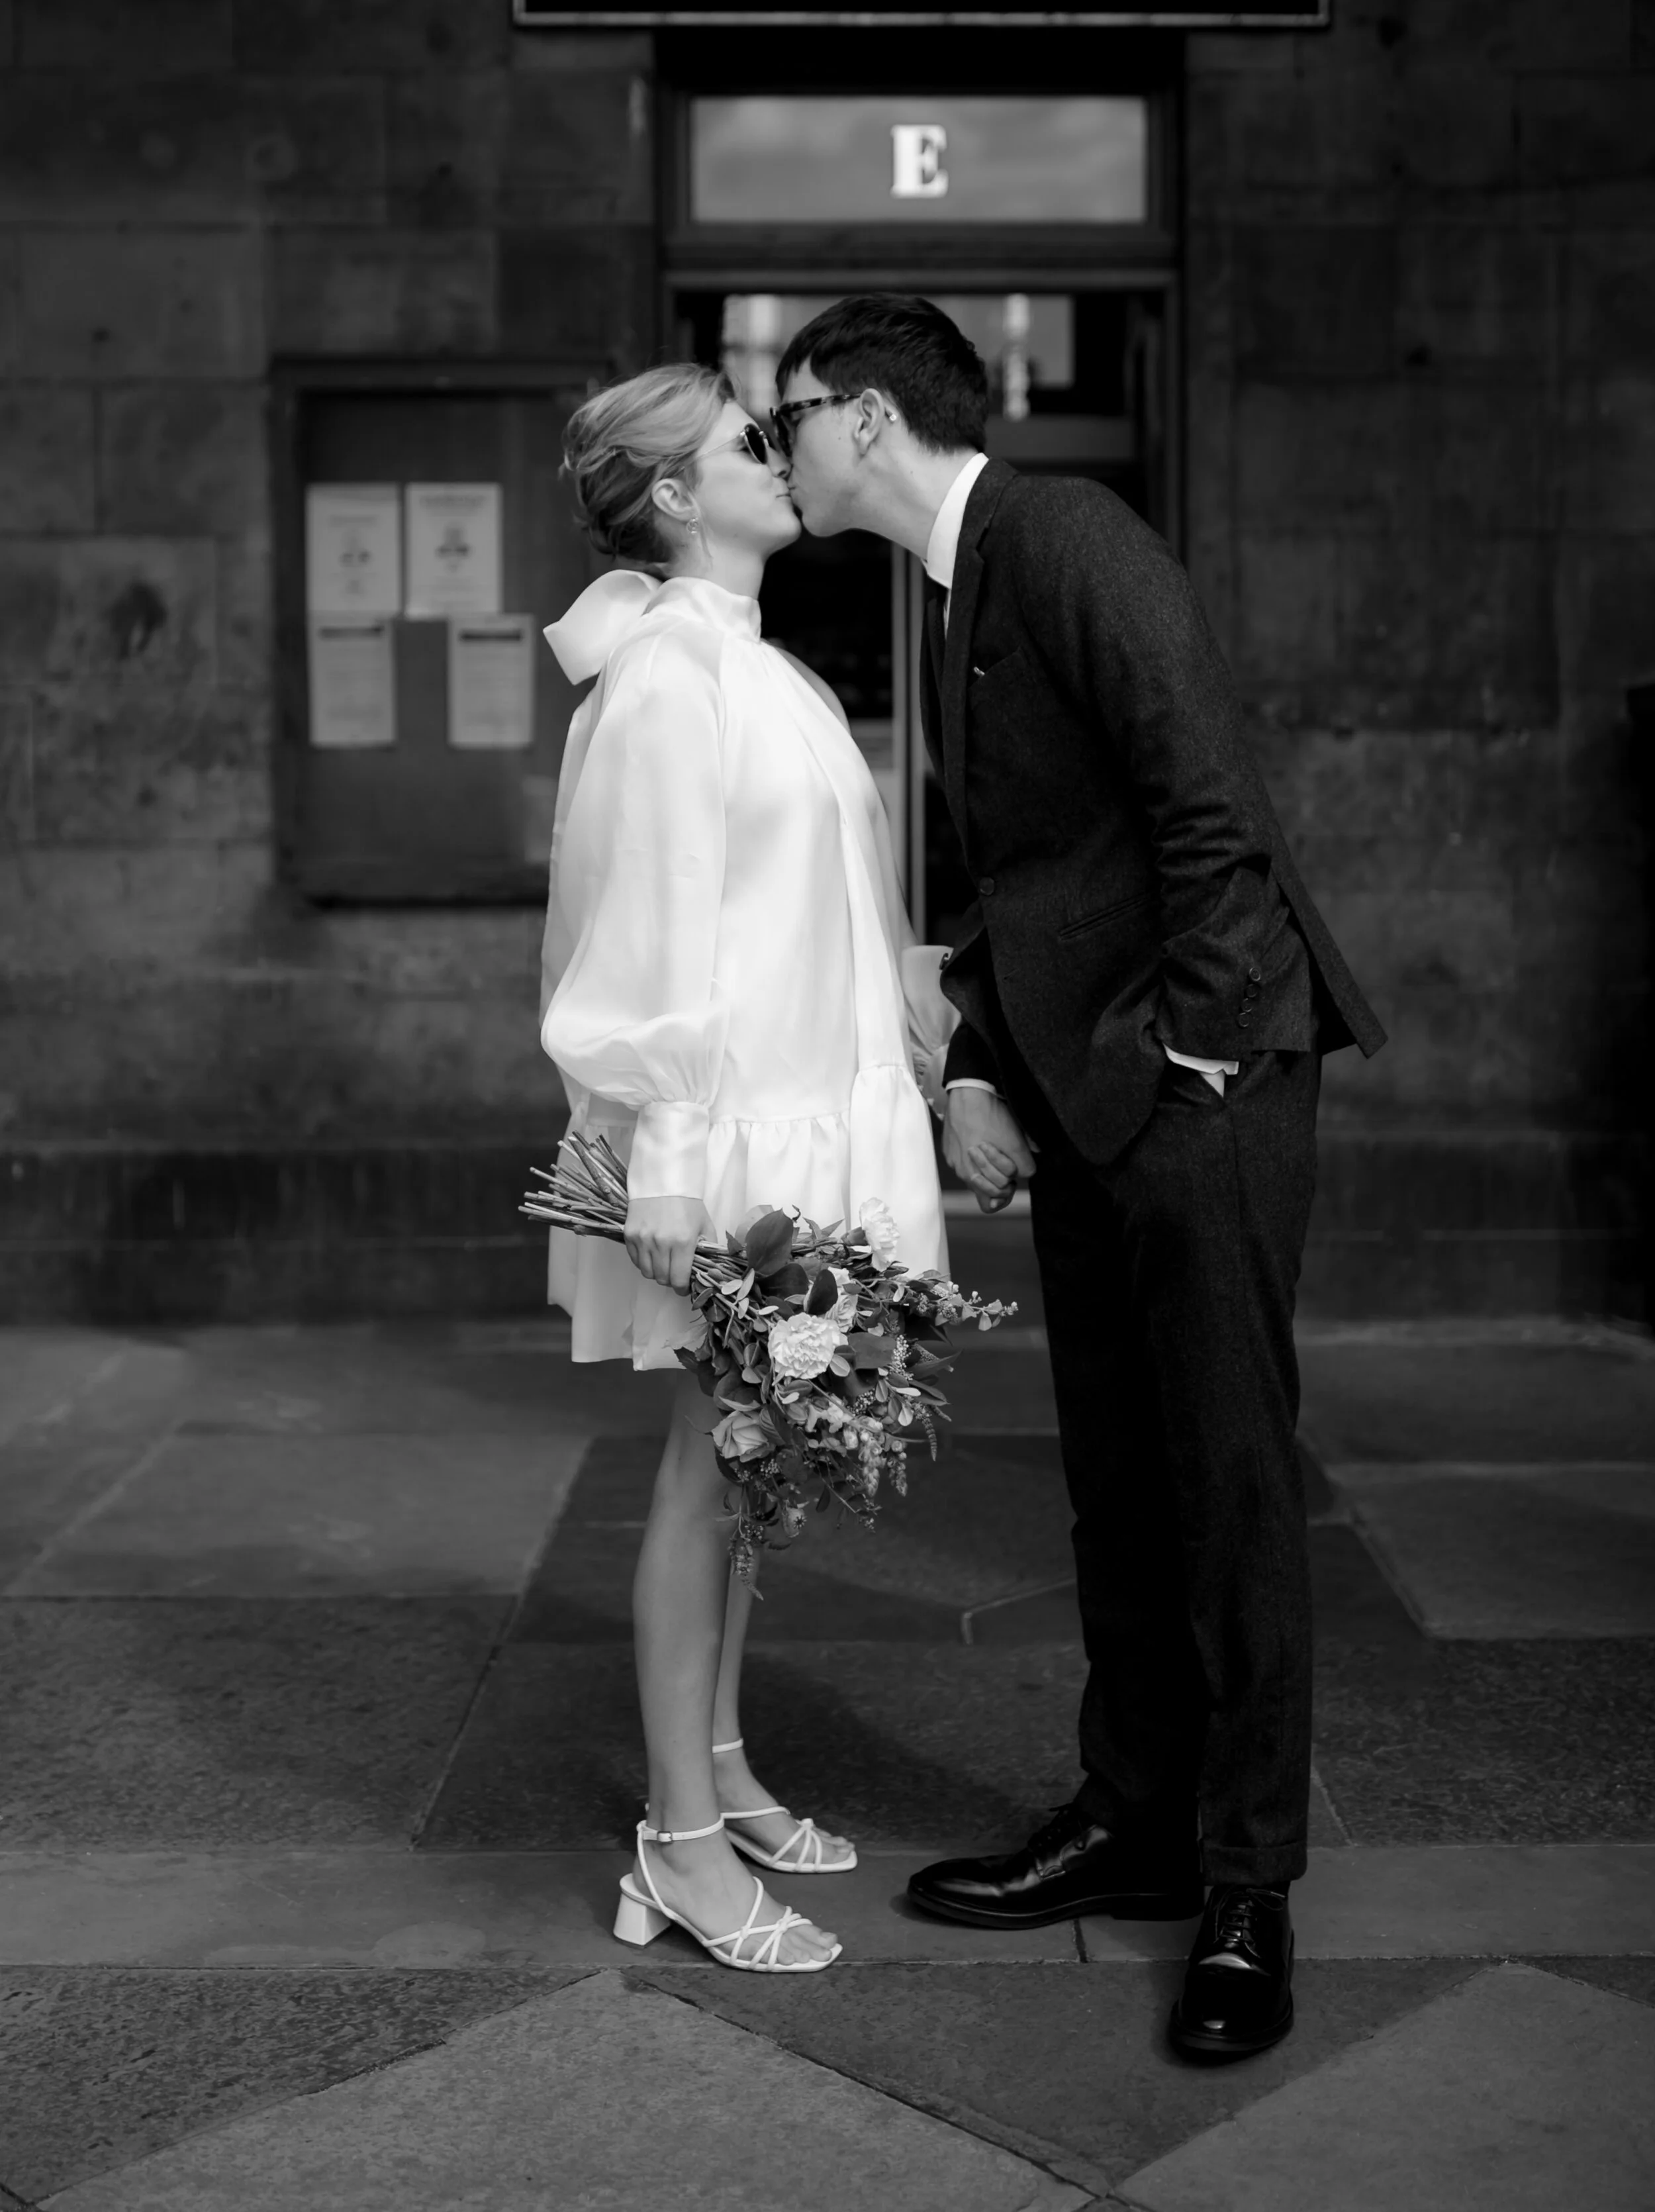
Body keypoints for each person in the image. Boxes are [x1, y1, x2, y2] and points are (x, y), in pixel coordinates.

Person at [774, 294, 1386, 2060]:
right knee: (1119, 1476)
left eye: (786, 416)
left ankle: (1245, 1884)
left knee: (1226, 1479)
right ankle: (1132, 1817)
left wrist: (1195, 1047)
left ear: (864, 418)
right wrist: (977, 1058)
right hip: (1092, 1089)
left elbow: (1207, 804)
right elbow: (1034, 877)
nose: (775, 448)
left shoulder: (1065, 536)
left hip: (1197, 1083)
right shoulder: (953, 581)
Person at [538, 361, 955, 1975]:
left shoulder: (755, 666)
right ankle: (677, 1845)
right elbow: (646, 928)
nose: (777, 459)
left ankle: (716, 1766)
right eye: (744, 445)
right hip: (720, 1136)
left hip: (798, 1117)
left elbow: (830, 909)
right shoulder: (663, 678)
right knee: (706, 1473)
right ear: (669, 494)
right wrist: (665, 1157)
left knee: (753, 1470)